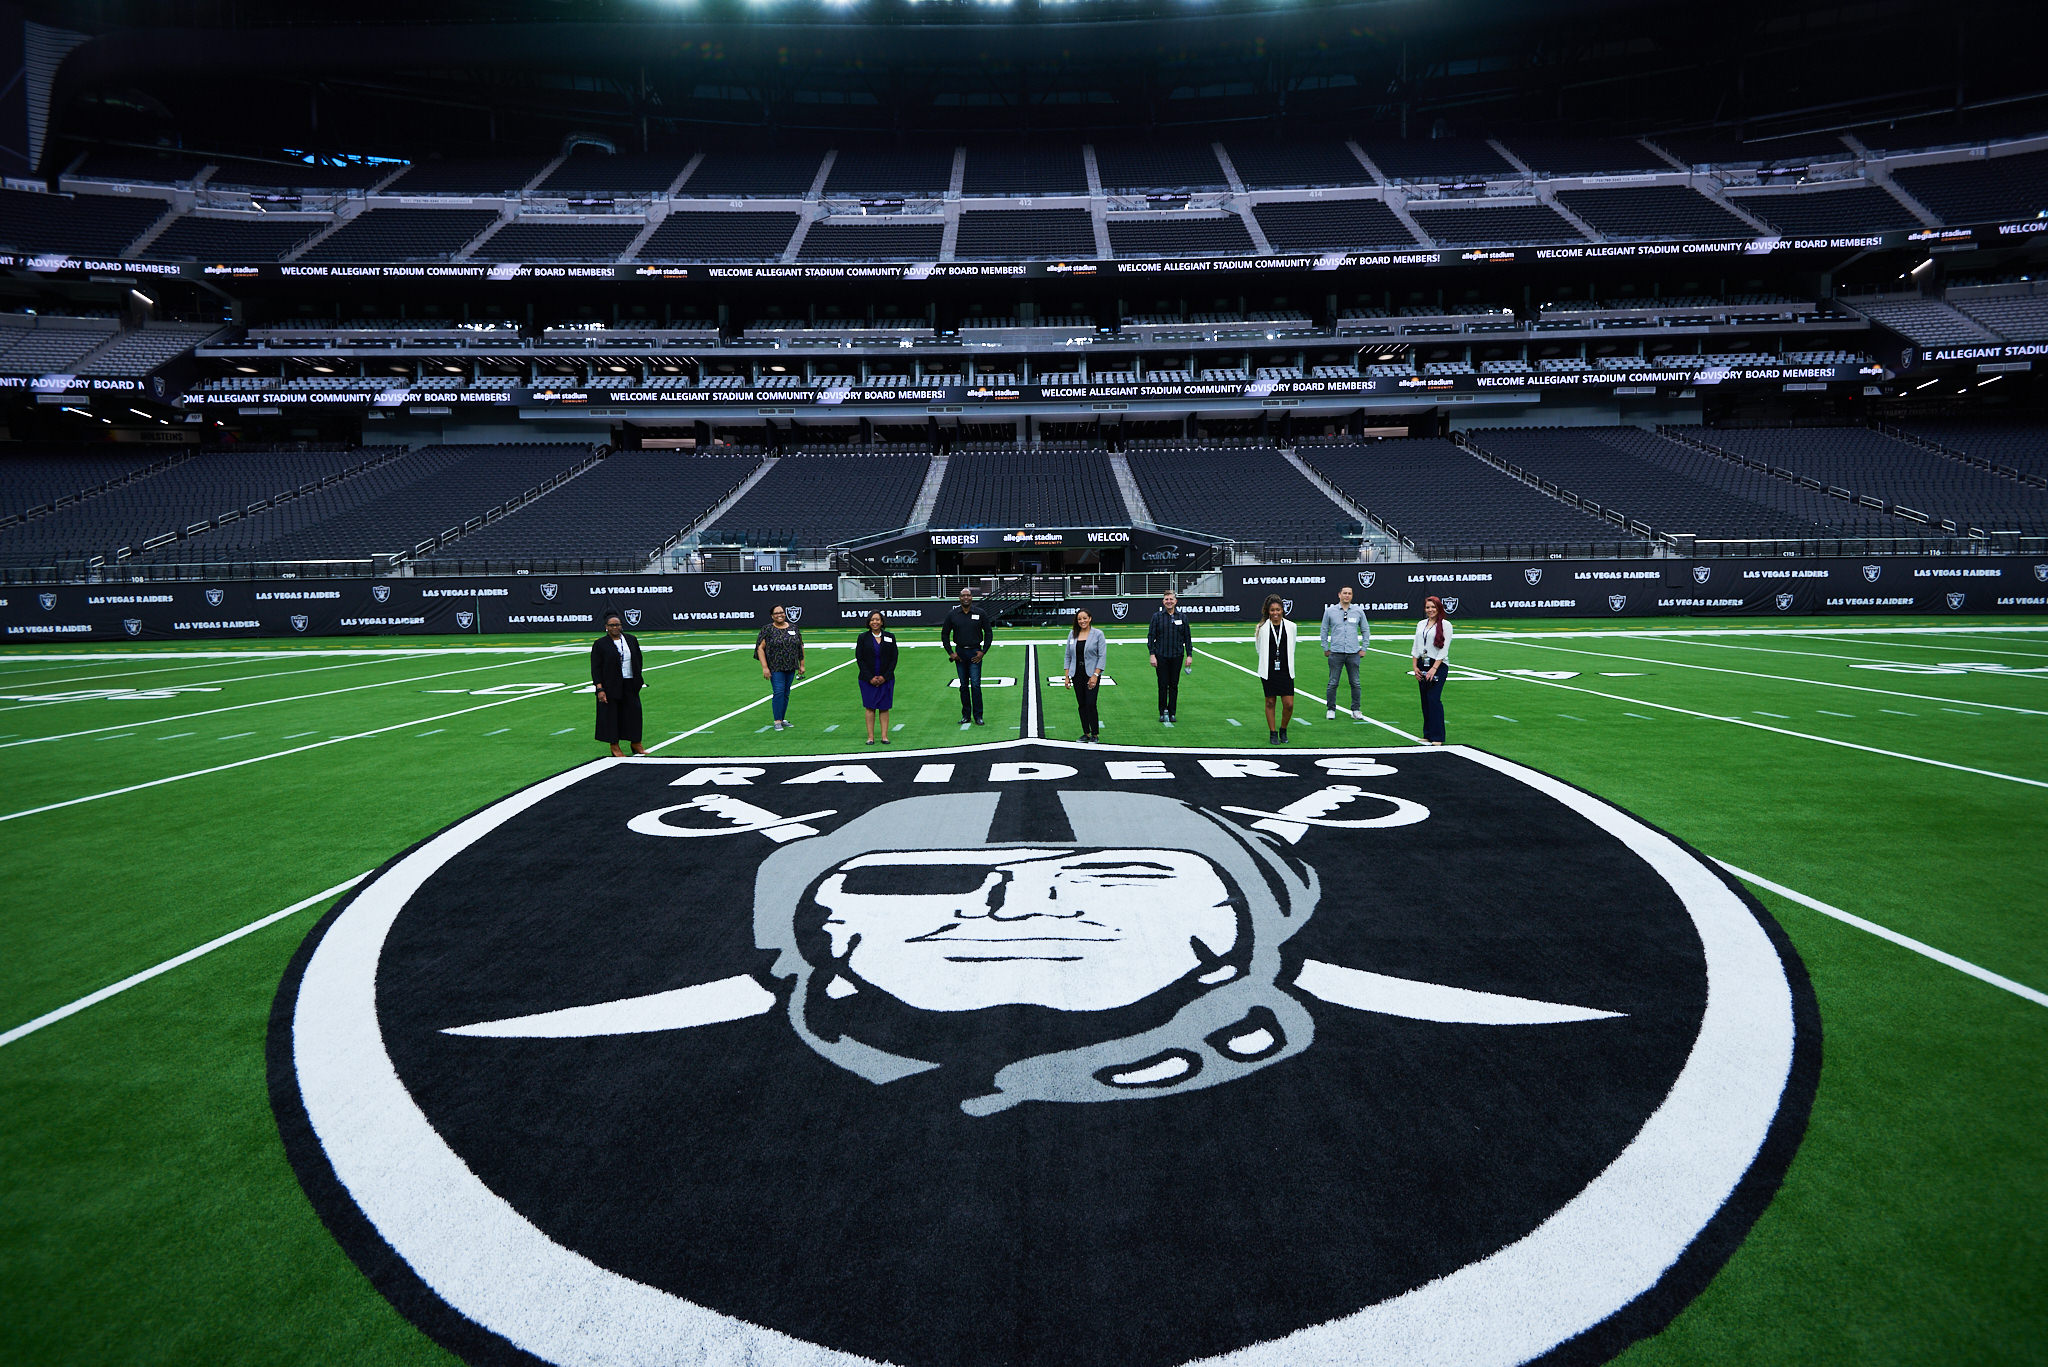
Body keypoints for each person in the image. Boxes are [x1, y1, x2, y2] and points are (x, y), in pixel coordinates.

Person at [590, 612, 648, 758]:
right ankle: (614, 746)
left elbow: (638, 660)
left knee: (634, 713)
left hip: (630, 683)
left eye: (618, 624)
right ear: (606, 627)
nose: (615, 627)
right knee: (612, 716)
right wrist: (599, 688)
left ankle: (636, 743)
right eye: (612, 625)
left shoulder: (631, 639)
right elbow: (596, 668)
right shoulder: (600, 644)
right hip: (611, 685)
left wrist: (638, 680)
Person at [941, 587, 994, 730]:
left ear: (972, 598)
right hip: (960, 655)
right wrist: (951, 653)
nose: (966, 598)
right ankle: (966, 715)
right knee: (963, 686)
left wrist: (983, 651)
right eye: (963, 595)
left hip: (975, 653)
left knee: (976, 685)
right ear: (959, 598)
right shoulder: (953, 614)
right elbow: (944, 634)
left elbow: (988, 633)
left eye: (968, 595)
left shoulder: (980, 613)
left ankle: (978, 716)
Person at [1320, 583, 1370, 723]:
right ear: (1339, 595)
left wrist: (1364, 647)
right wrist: (1325, 647)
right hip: (1336, 652)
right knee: (1333, 682)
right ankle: (1331, 709)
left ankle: (1356, 709)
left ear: (1352, 596)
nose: (1347, 595)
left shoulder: (1358, 611)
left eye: (1349, 593)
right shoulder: (1330, 611)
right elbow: (1324, 630)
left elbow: (1365, 630)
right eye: (1345, 593)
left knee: (1355, 683)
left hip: (1353, 652)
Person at [1146, 589, 1193, 727]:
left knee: (1174, 685)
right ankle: (1162, 711)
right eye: (1166, 599)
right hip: (1161, 656)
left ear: (1176, 601)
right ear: (1163, 601)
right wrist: (1152, 654)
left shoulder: (1182, 617)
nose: (1169, 601)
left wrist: (1189, 655)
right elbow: (1151, 637)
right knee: (1162, 685)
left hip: (1177, 656)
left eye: (1171, 599)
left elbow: (1187, 638)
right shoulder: (1157, 617)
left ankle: (1172, 712)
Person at [756, 603, 806, 731]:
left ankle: (782, 718)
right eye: (777, 613)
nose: (780, 615)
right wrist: (765, 667)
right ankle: (777, 720)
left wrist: (802, 664)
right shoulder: (767, 629)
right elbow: (760, 648)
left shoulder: (794, 627)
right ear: (772, 616)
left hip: (790, 665)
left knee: (786, 693)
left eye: (781, 612)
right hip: (775, 666)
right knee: (778, 692)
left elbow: (800, 645)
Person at [1253, 594, 1296, 744]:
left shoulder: (1291, 626)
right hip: (1269, 670)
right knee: (1270, 702)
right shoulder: (1262, 628)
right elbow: (1259, 649)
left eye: (1278, 609)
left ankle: (1283, 729)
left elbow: (1292, 647)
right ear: (1268, 611)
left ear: (1283, 610)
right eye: (1272, 610)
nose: (1275, 613)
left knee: (1289, 704)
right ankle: (1273, 732)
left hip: (1285, 669)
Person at [1412, 595, 1454, 745]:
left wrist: (1434, 668)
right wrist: (1415, 666)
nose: (1430, 610)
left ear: (1438, 608)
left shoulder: (1446, 625)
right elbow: (1416, 645)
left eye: (1433, 607)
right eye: (1428, 607)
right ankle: (1428, 733)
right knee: (1425, 700)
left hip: (1438, 666)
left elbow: (1444, 650)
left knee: (1434, 699)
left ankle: (1438, 736)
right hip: (1423, 664)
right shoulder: (1421, 624)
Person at [1064, 607, 1107, 742]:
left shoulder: (1098, 634)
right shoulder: (1072, 634)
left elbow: (1102, 656)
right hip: (1077, 674)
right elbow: (1067, 656)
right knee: (1081, 704)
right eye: (1079, 619)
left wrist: (1095, 675)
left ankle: (1095, 734)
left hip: (1091, 673)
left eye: (1084, 618)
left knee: (1091, 703)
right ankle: (1086, 733)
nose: (1082, 621)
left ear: (1090, 619)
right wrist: (1066, 676)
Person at [856, 609, 898, 745]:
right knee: (870, 707)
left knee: (884, 707)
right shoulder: (862, 638)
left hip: (886, 679)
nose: (875, 622)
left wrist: (885, 677)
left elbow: (894, 658)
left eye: (877, 619)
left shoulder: (890, 637)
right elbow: (860, 659)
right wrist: (870, 678)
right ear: (869, 622)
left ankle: (884, 736)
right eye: (872, 619)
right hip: (867, 680)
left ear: (882, 622)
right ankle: (870, 737)